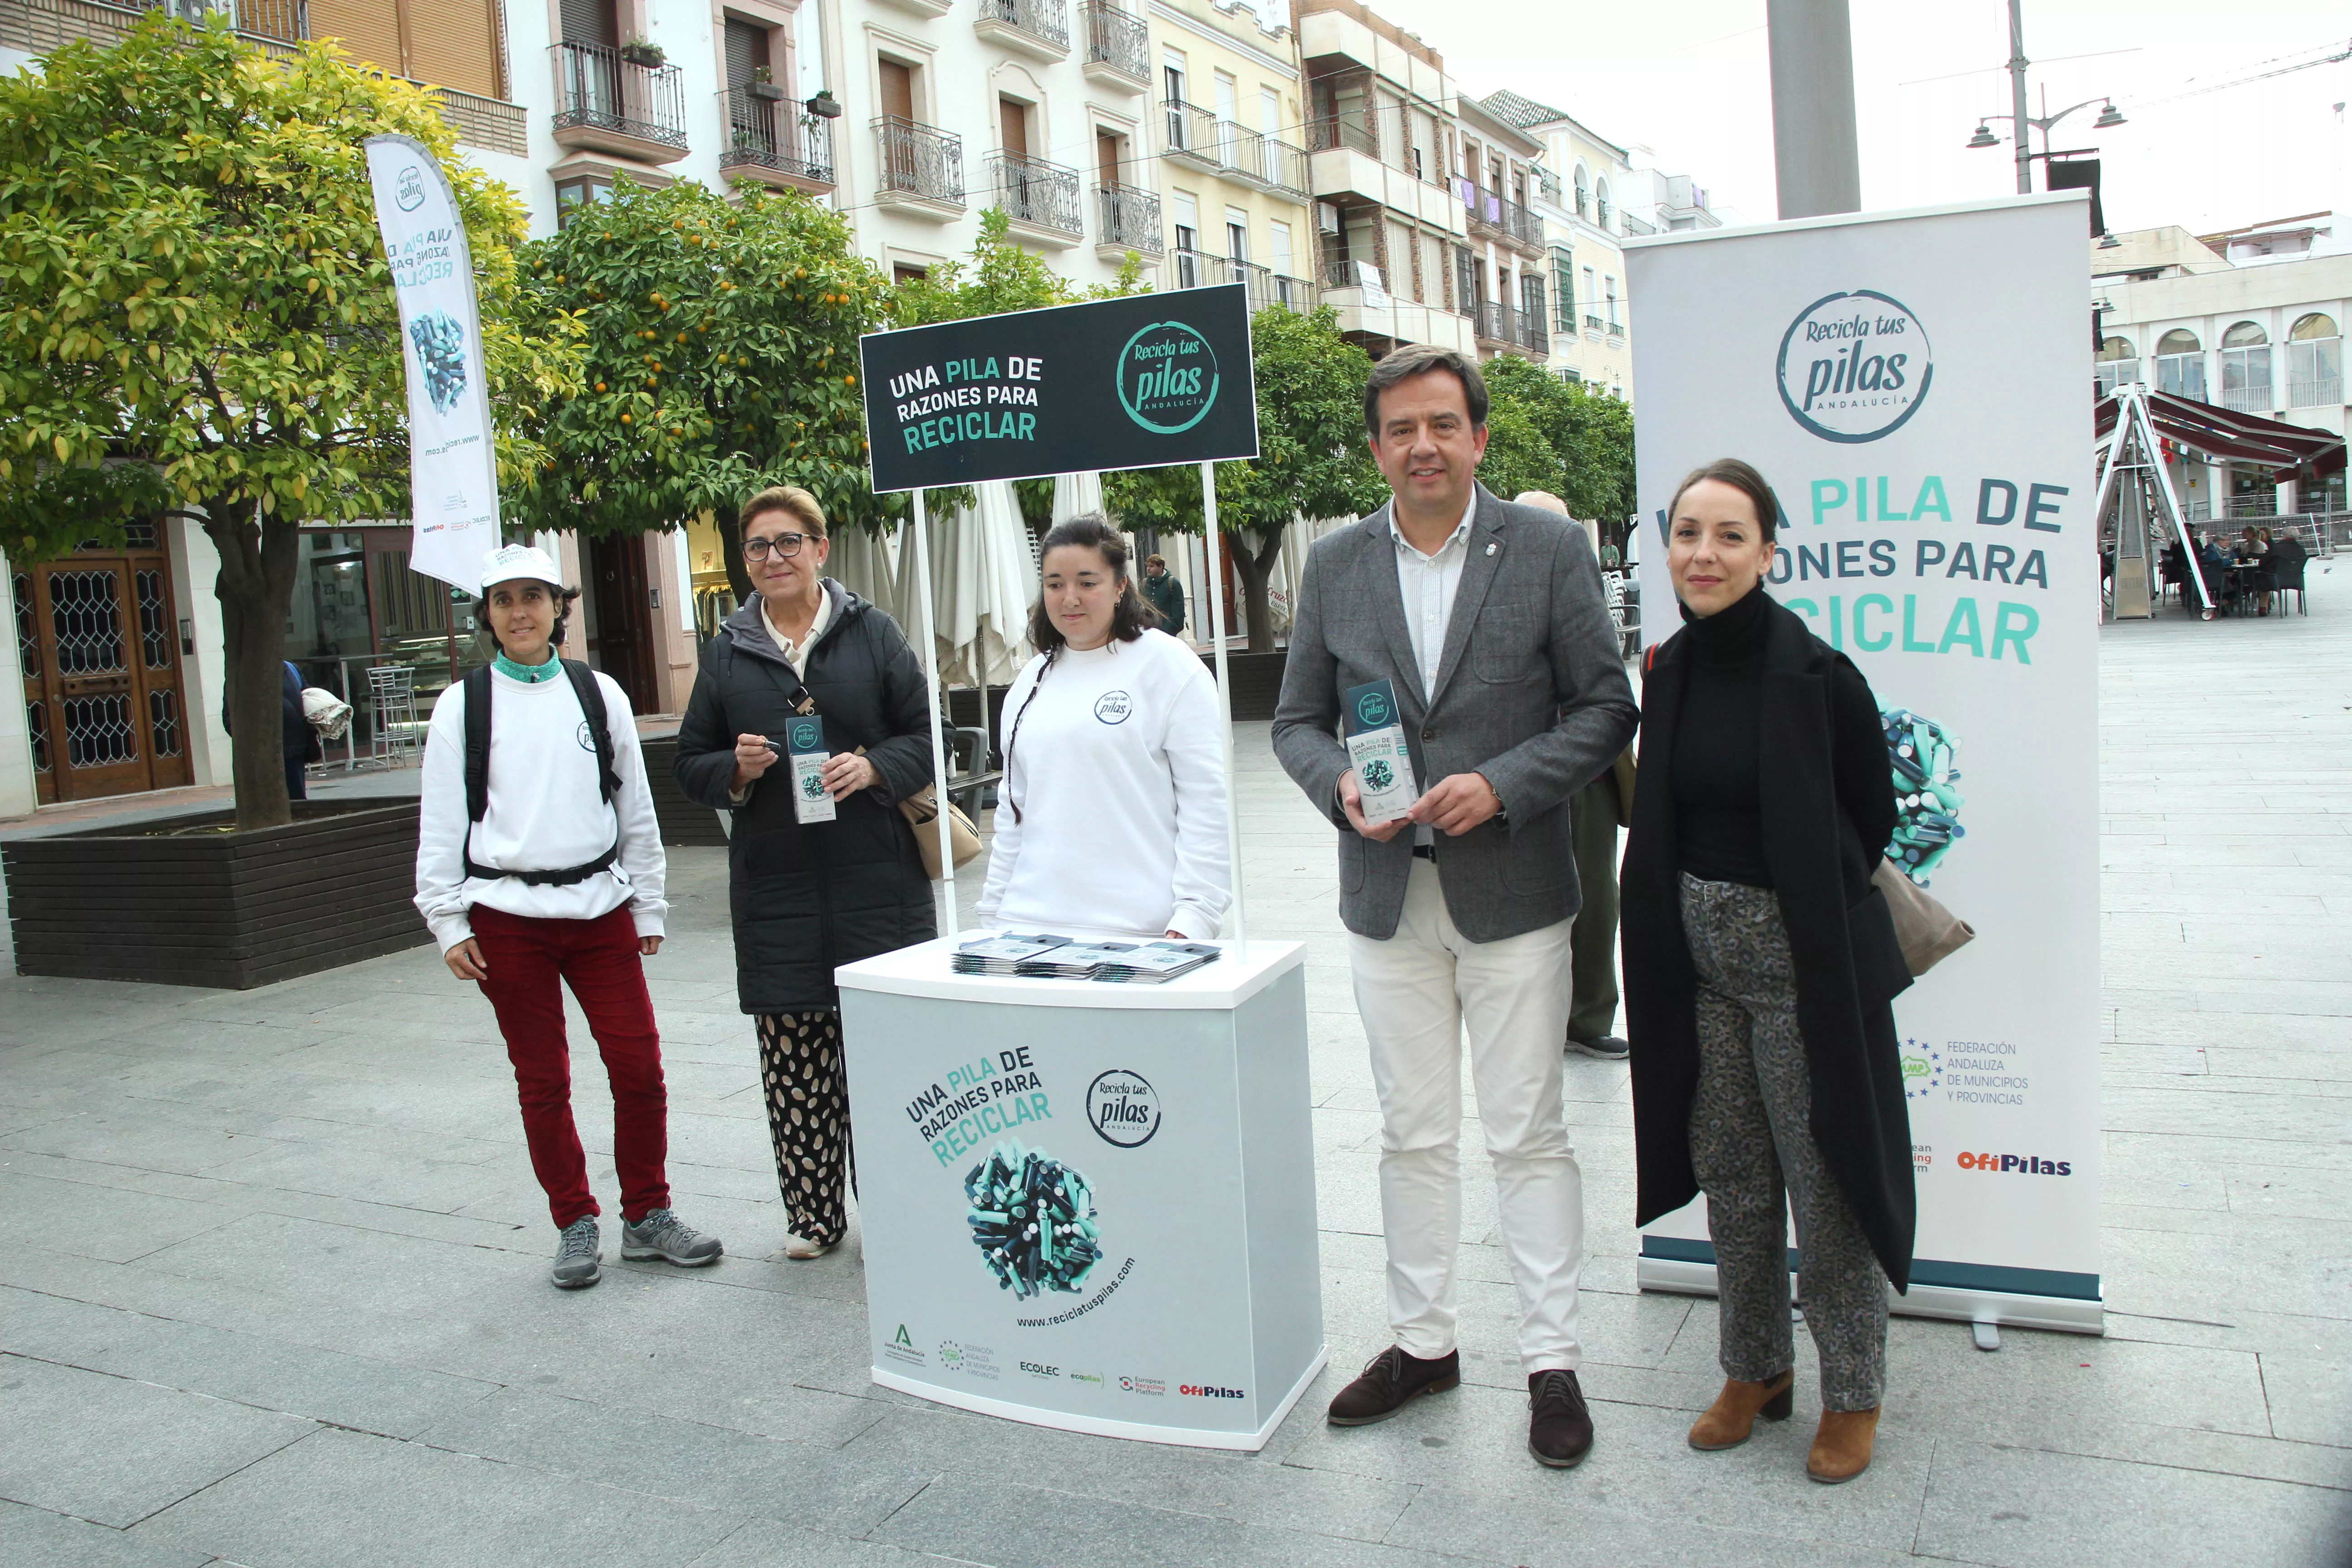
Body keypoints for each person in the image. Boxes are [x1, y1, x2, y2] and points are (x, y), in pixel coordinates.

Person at [1272, 345, 1637, 1468]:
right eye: (1399, 429)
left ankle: (1550, 1358)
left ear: (1479, 437)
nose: (1420, 445)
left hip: (1514, 891)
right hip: (1387, 898)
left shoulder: (1544, 549)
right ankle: (1423, 1342)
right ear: (1376, 446)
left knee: (1528, 1132)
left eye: (1441, 424)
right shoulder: (1335, 566)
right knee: (1409, 1132)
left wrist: (1505, 783)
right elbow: (1293, 719)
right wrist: (1336, 782)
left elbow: (1602, 706)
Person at [1619, 459, 1914, 1485]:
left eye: (1728, 535)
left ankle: (1853, 1389)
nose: (1702, 553)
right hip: (1699, 975)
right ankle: (1754, 1368)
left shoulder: (1819, 676)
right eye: (1686, 533)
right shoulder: (1668, 668)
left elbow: (1868, 816)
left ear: (1768, 551)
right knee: (1736, 1182)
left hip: (1800, 978)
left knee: (1824, 1182)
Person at [415, 543, 721, 1290]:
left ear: (559, 605)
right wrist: (447, 920)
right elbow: (440, 820)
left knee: (638, 1066)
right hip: (505, 916)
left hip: (600, 908)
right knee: (542, 1079)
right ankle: (573, 1221)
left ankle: (647, 1214)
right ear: (487, 615)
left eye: (533, 596)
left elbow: (634, 808)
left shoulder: (599, 694)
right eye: (503, 599)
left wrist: (647, 899)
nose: (519, 612)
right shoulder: (464, 705)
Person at [673, 485, 936, 1261]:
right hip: (777, 887)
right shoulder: (725, 652)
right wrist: (736, 767)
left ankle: (894, 1209)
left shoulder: (872, 632)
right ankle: (813, 1218)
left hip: (875, 881)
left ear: (821, 550)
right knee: (794, 1066)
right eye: (757, 547)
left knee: (885, 1066)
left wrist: (874, 765)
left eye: (788, 542)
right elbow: (690, 762)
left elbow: (925, 735)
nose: (773, 558)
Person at [977, 519, 1229, 940]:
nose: (1069, 598)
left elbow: (1208, 805)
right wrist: (993, 918)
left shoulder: (1170, 668)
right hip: (1025, 928)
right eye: (1055, 584)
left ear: (1119, 587)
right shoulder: (1030, 681)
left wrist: (1194, 918)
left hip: (1139, 934)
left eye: (1087, 582)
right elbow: (1013, 810)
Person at [1514, 491, 1632, 1061]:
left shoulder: (1576, 585)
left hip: (1586, 773)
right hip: (1517, 773)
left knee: (1595, 895)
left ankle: (1586, 1017)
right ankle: (1535, 1016)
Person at [223, 660, 322, 802]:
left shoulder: (291, 669)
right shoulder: (240, 675)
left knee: (297, 802)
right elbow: (230, 718)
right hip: (261, 756)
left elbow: (308, 698)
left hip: (295, 751)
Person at [1140, 551, 1187, 641]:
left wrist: (1171, 629)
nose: (1148, 569)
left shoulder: (1173, 583)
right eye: (1148, 566)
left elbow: (1178, 612)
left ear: (1161, 567)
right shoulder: (1144, 583)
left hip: (1167, 633)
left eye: (1152, 566)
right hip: (1148, 633)